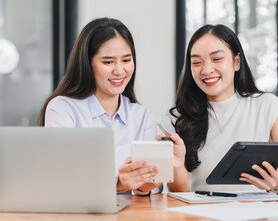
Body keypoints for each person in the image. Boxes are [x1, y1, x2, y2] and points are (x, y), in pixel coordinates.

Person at [38, 17, 186, 194]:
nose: (119, 70)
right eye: (108, 62)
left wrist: (156, 173)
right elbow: (60, 178)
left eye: (126, 60)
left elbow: (149, 191)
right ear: (87, 63)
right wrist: (118, 184)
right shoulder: (63, 108)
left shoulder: (142, 116)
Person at [159, 24, 278, 192]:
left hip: (258, 214)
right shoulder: (176, 119)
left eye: (217, 59)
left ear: (236, 62)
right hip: (203, 213)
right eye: (196, 62)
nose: (206, 70)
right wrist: (178, 167)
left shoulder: (266, 106)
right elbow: (178, 194)